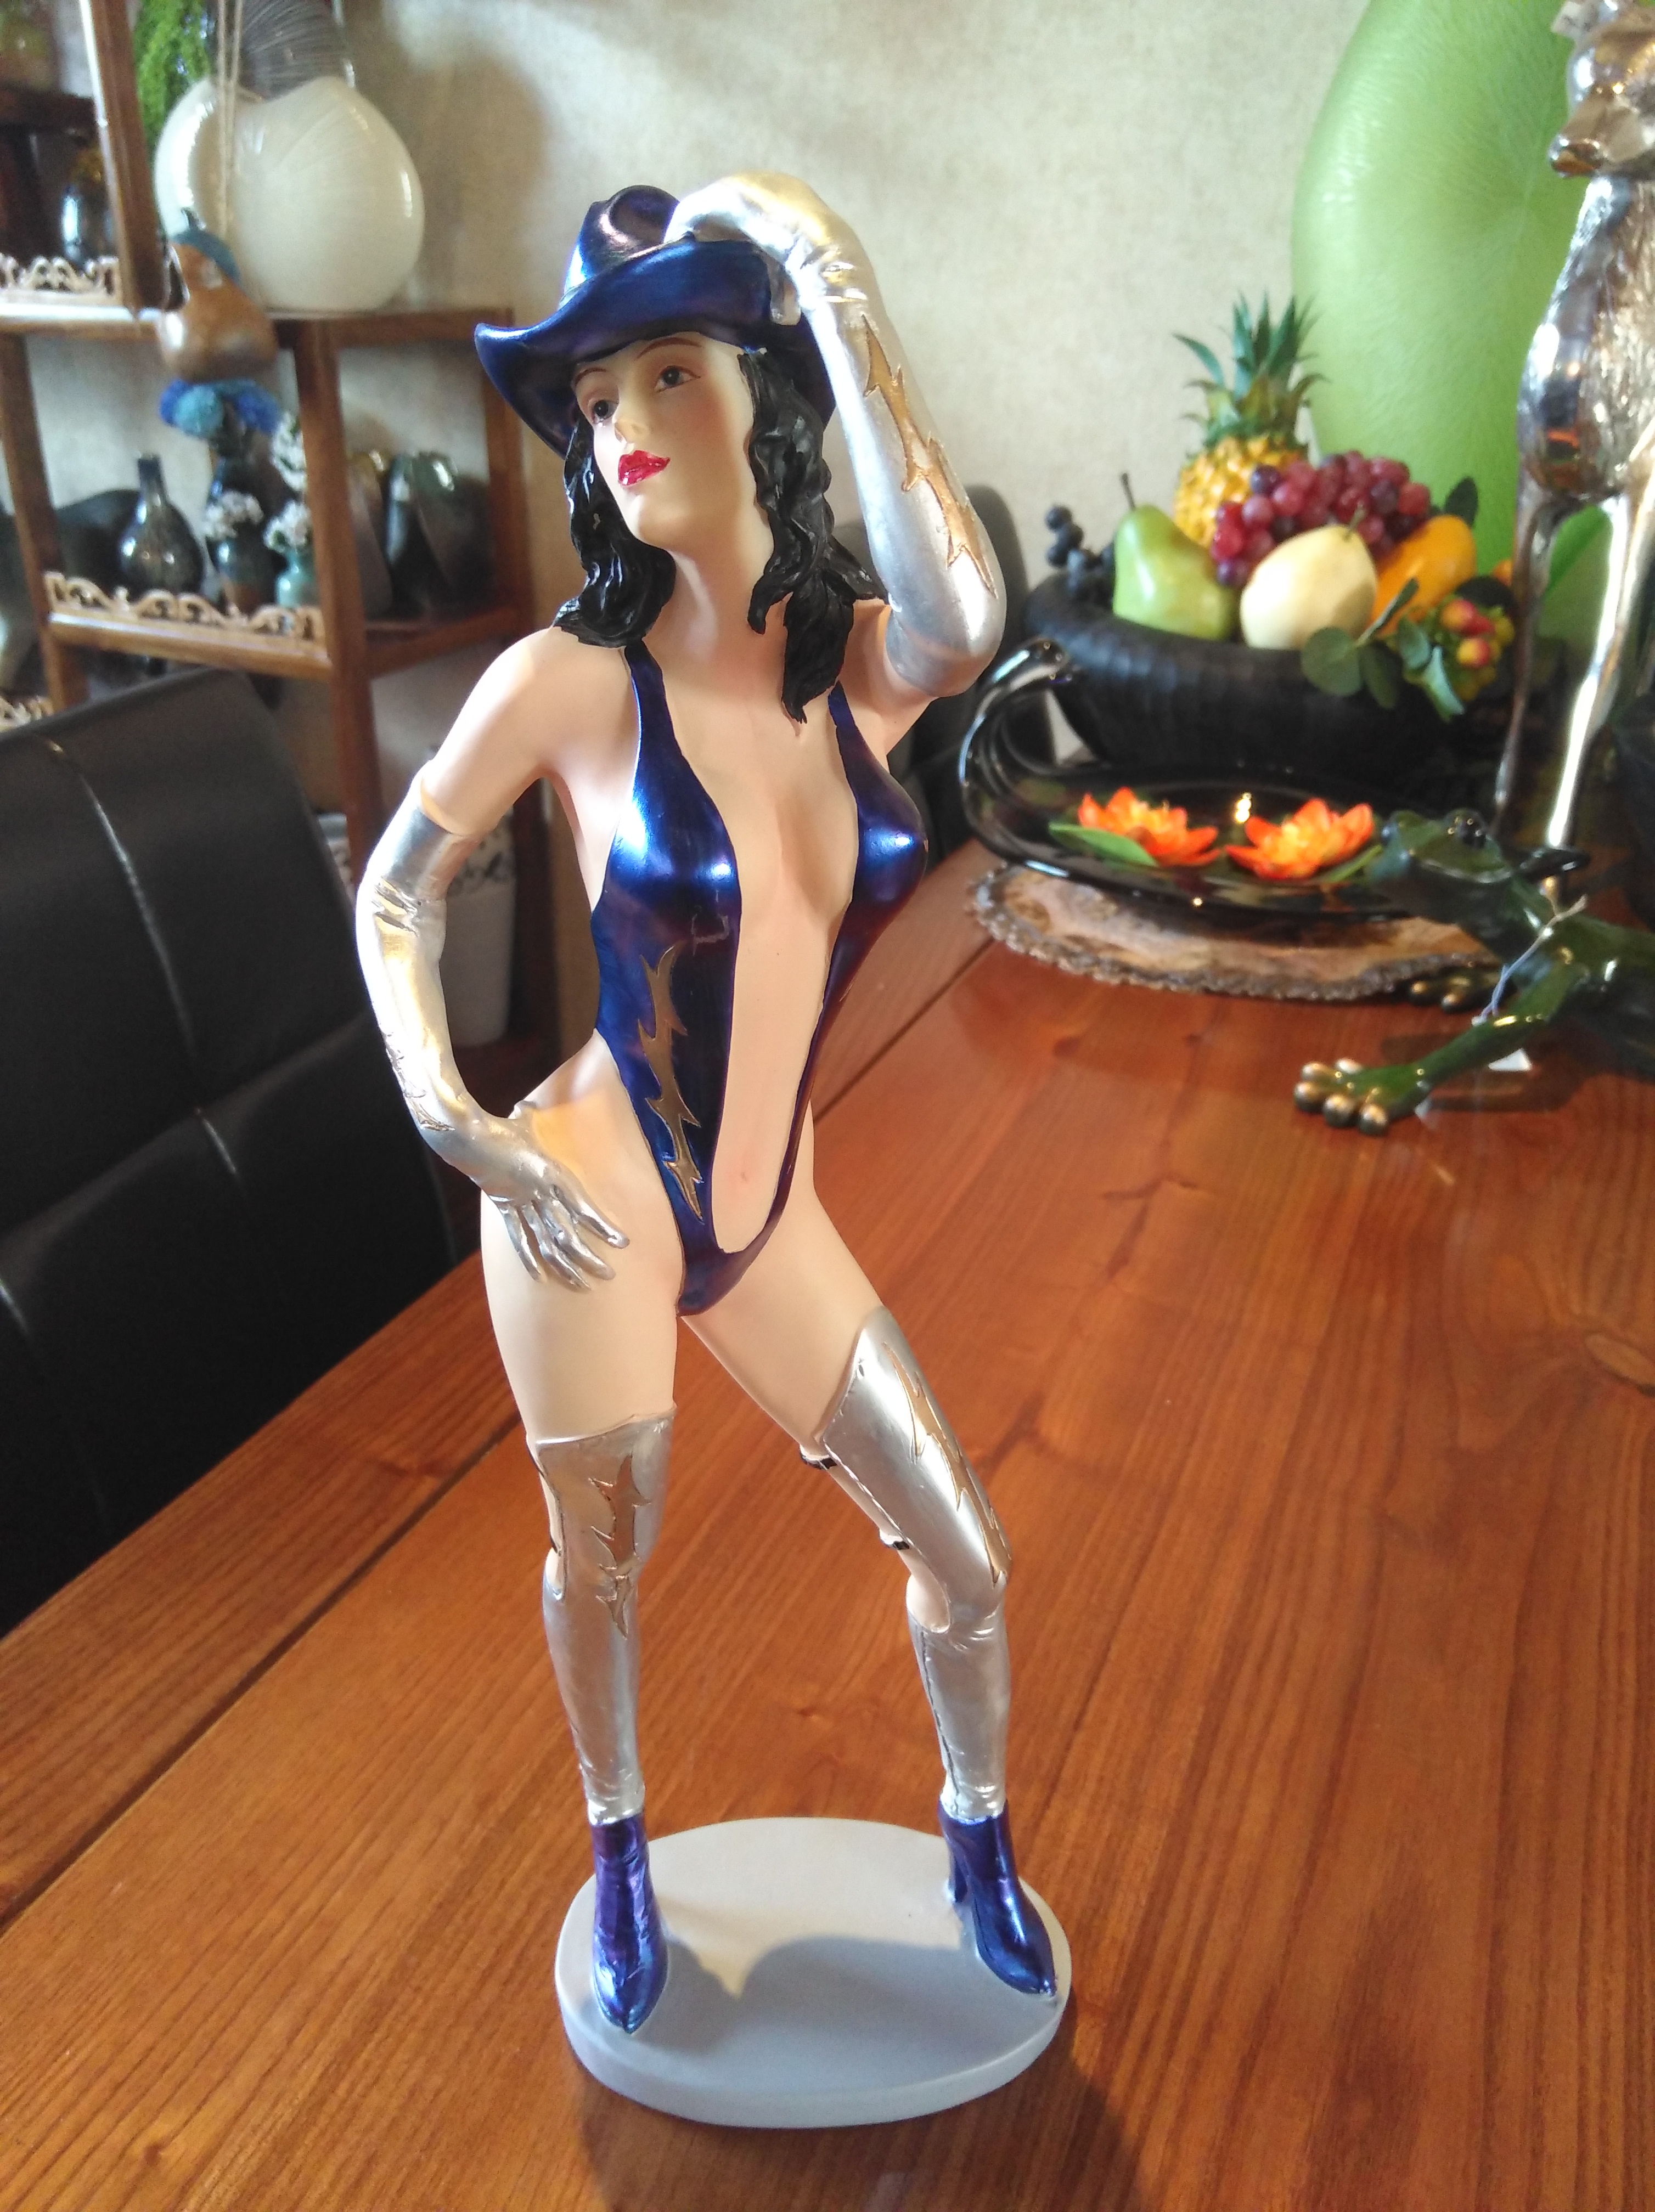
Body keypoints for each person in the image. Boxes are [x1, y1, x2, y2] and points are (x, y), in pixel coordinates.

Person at [356, 174, 1055, 2035]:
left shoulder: (857, 676)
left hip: (766, 1216)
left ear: (768, 393)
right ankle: (618, 1850)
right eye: (598, 400)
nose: (626, 427)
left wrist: (831, 263)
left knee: (967, 1553)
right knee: (609, 1562)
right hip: (592, 1198)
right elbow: (397, 892)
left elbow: (967, 612)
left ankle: (977, 1839)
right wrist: (450, 1111)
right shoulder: (574, 682)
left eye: (670, 373)